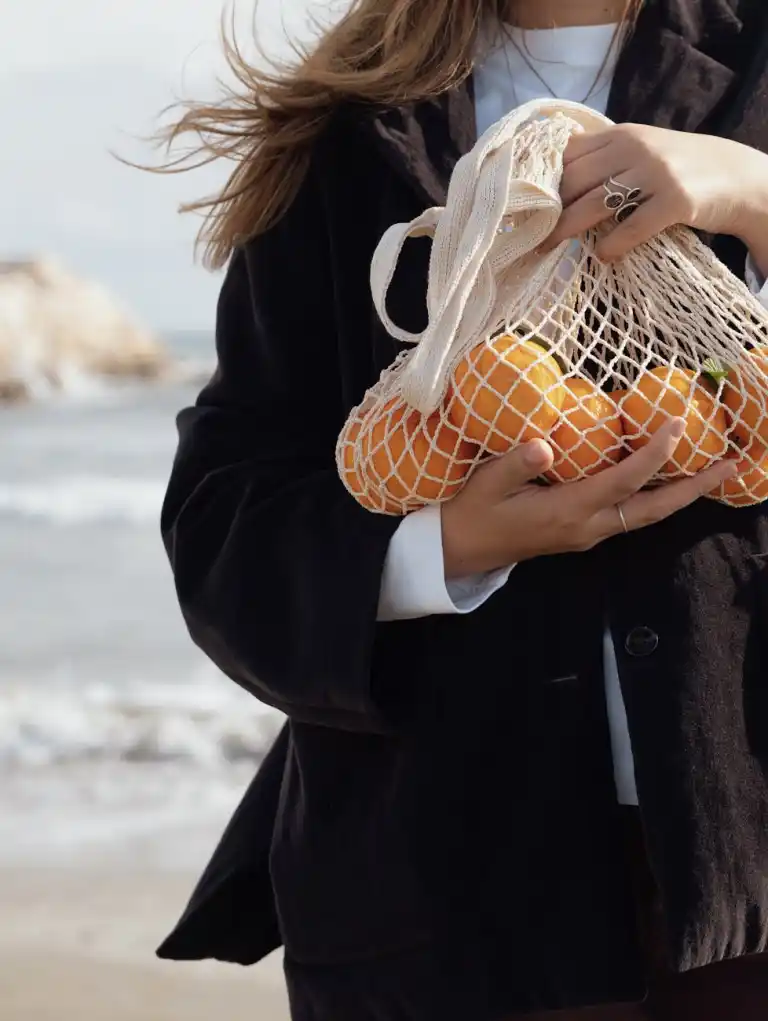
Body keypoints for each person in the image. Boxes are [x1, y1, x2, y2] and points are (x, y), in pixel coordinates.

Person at [156, 0, 768, 1018]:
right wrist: (445, 548)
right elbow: (227, 529)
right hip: (444, 899)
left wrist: (756, 196)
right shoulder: (344, 122)